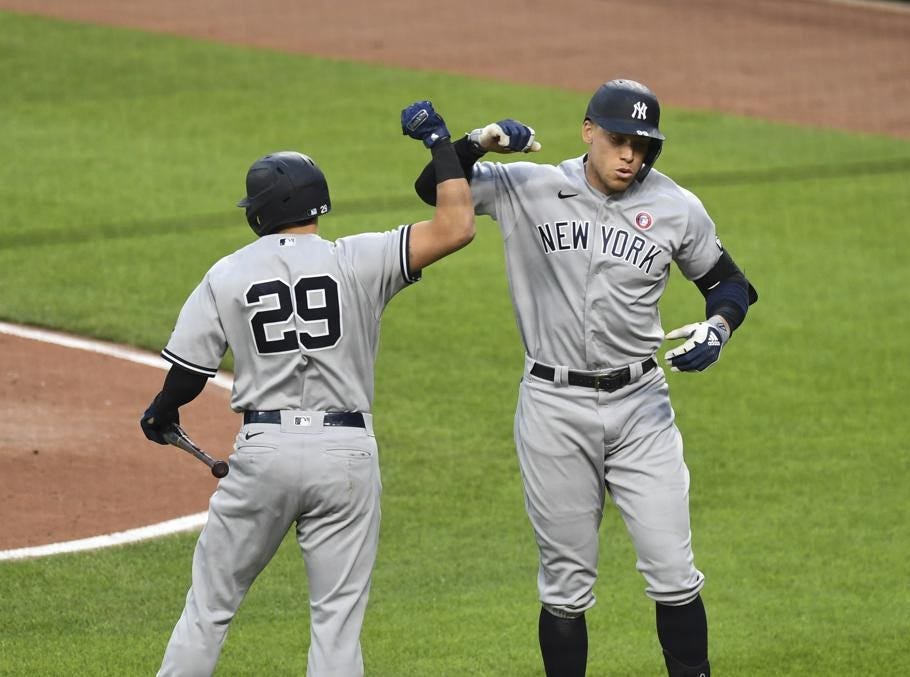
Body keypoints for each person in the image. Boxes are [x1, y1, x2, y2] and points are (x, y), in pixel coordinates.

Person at [413, 79, 757, 676]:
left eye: (644, 145)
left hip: (642, 407)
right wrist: (477, 141)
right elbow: (432, 190)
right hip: (553, 407)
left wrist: (718, 329)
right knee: (566, 587)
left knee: (674, 573)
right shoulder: (530, 186)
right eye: (620, 140)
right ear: (588, 131)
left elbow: (730, 284)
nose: (631, 156)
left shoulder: (678, 207)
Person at [139, 100, 473, 676]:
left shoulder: (229, 271)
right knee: (336, 621)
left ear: (261, 211)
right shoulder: (360, 259)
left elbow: (190, 373)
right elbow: (456, 226)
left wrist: (160, 412)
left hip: (263, 453)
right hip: (345, 454)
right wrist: (442, 145)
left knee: (210, 609)